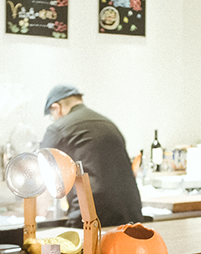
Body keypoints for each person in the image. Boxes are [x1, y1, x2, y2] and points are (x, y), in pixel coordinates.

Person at [40, 84, 143, 228]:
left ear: (56, 108)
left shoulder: (59, 128)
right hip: (130, 211)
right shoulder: (108, 123)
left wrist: (38, 216)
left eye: (52, 115)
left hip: (92, 213)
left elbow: (43, 173)